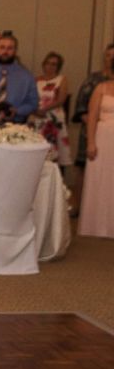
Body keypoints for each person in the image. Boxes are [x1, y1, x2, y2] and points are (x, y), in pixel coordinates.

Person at [70, 43, 114, 216]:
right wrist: (93, 122)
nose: (111, 58)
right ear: (105, 58)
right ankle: (81, 207)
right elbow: (81, 104)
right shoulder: (94, 80)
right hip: (92, 131)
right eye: (109, 55)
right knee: (84, 169)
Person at [79, 64, 114, 238]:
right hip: (104, 138)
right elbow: (91, 116)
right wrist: (90, 143)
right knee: (101, 179)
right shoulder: (101, 88)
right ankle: (97, 226)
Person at [34, 51, 72, 167]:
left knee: (55, 149)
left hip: (54, 116)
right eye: (48, 63)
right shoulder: (36, 80)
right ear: (44, 64)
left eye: (54, 64)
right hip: (38, 116)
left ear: (58, 66)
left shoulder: (61, 79)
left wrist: (46, 108)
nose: (50, 66)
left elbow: (61, 99)